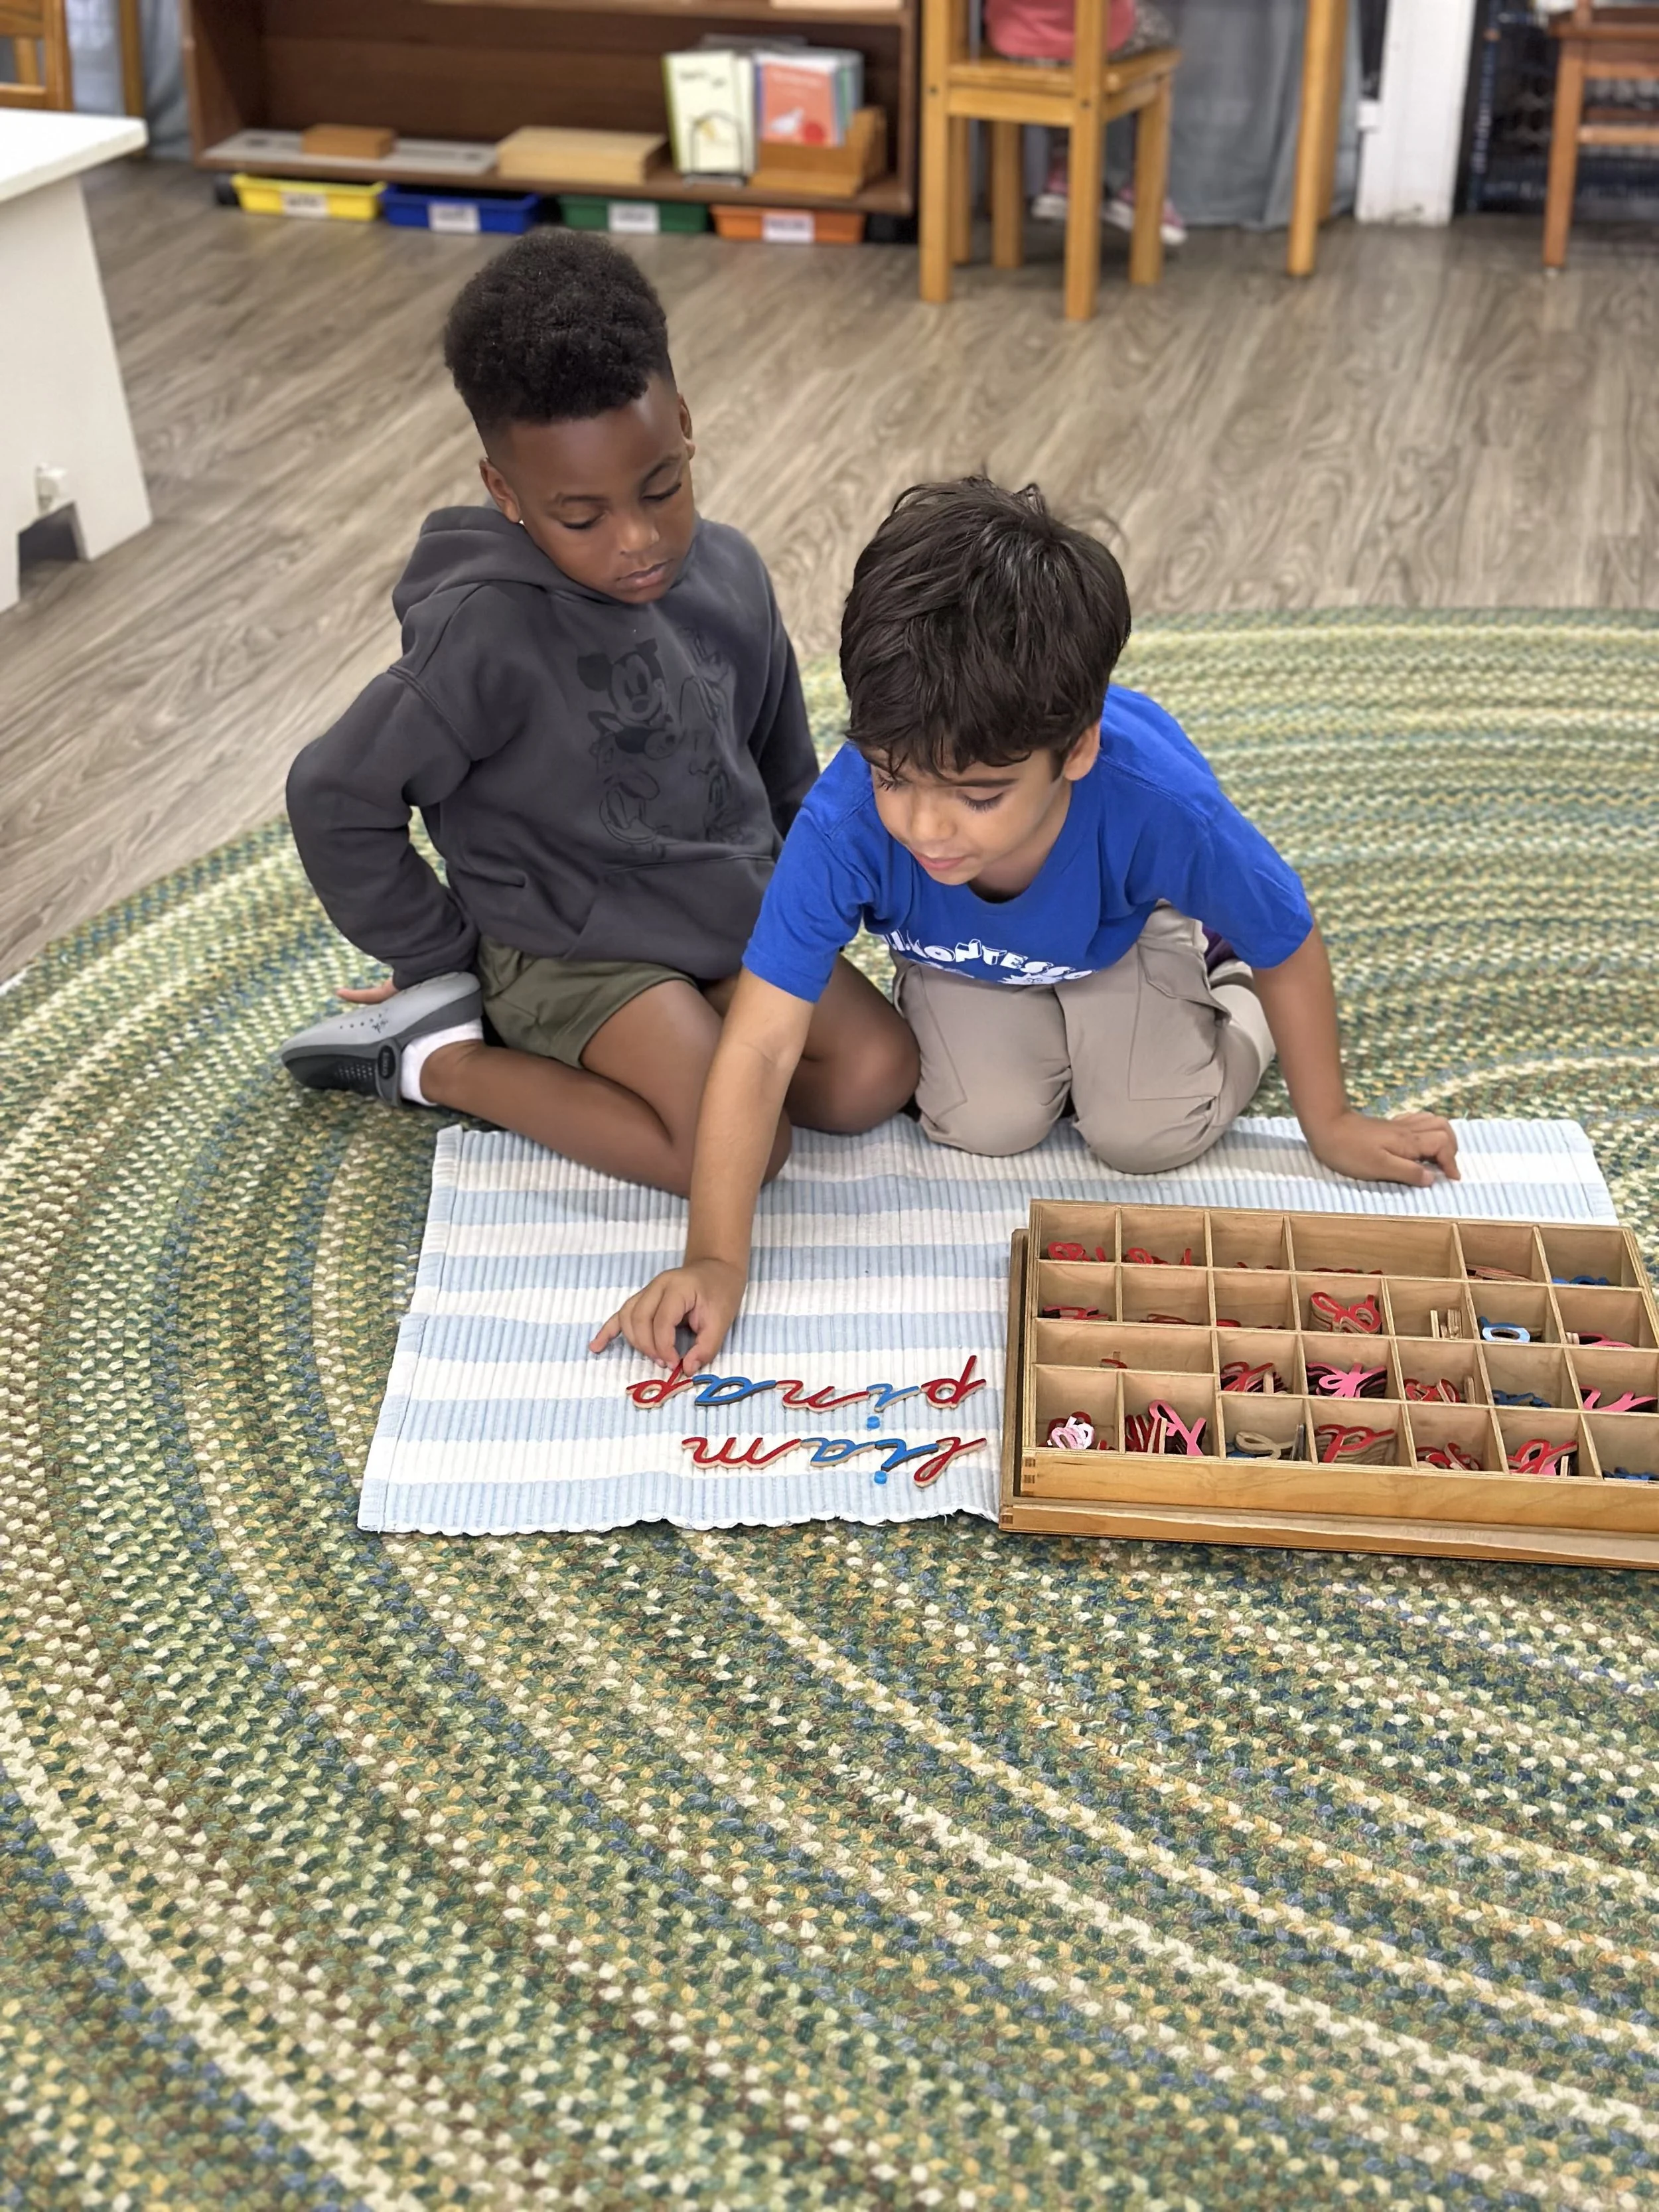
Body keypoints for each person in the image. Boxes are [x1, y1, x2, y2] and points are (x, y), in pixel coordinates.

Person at [593, 477, 1458, 1369]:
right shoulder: (845, 818)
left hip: (1118, 938)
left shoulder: (1158, 806)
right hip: (969, 962)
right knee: (982, 1119)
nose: (926, 827)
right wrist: (715, 1256)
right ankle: (1068, 1021)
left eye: (977, 795)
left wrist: (1332, 1121)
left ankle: (1214, 974)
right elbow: (765, 1042)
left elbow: (1289, 936)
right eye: (893, 776)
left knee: (1147, 1132)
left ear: (1075, 749)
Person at [280, 231, 916, 1193]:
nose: (638, 540)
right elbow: (333, 796)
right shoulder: (484, 633)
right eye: (582, 517)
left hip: (724, 918)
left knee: (875, 1076)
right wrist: (446, 959)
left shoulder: (735, 569)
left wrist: (805, 910)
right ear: (506, 492)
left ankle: (672, 1056)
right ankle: (438, 1061)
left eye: (662, 487)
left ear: (685, 423)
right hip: (574, 952)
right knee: (738, 1152)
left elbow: (785, 768)